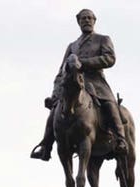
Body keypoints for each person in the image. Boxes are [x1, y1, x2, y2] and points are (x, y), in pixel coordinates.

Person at [30, 9, 127, 161]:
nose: (87, 20)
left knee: (110, 106)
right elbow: (62, 71)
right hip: (73, 84)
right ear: (78, 22)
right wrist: (55, 94)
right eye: (83, 18)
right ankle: (46, 147)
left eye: (89, 18)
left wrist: (84, 63)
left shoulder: (103, 39)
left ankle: (121, 140)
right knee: (54, 113)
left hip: (96, 83)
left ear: (94, 21)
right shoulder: (72, 46)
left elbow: (110, 59)